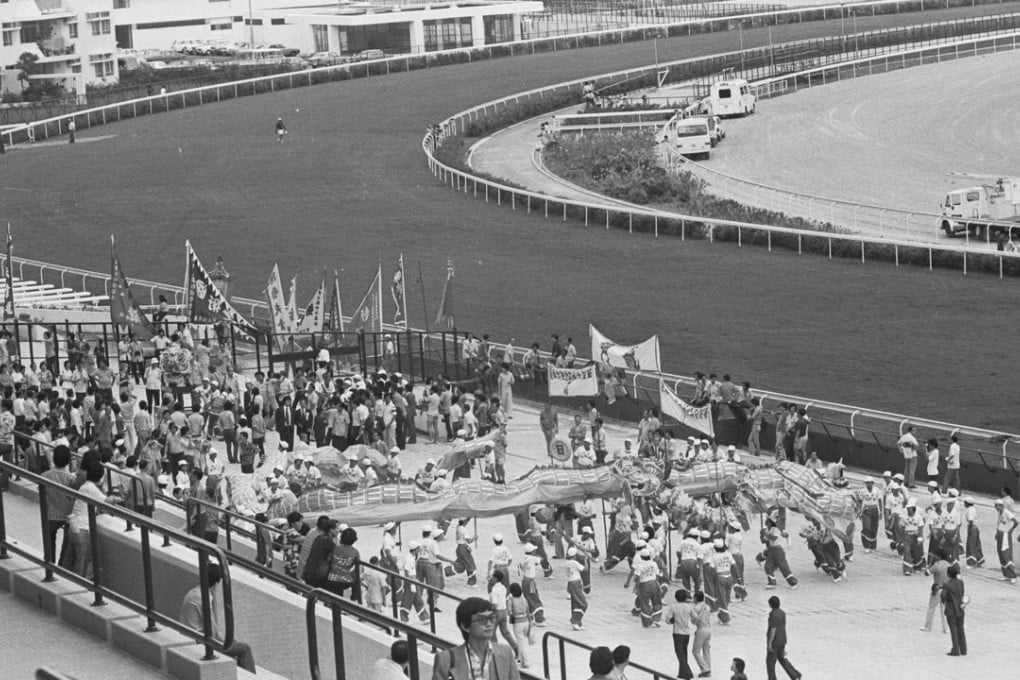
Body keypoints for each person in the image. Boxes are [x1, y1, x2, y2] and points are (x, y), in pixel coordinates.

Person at [179, 563, 256, 673]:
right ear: (216, 583)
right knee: (244, 649)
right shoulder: (203, 597)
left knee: (234, 645)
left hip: (190, 638)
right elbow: (213, 633)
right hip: (200, 643)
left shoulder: (193, 592)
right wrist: (227, 642)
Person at [430, 597, 520, 680]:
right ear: (465, 626)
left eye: (491, 618)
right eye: (482, 620)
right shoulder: (445, 659)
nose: (489, 624)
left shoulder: (505, 653)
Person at [41, 444, 75, 566]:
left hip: (50, 514)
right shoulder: (71, 478)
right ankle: (62, 565)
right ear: (68, 460)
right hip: (67, 515)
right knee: (66, 543)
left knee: (49, 540)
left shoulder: (45, 475)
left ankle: (49, 564)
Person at [765, 596, 801, 680]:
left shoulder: (773, 614)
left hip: (775, 642)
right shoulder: (782, 613)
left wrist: (770, 642)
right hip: (782, 639)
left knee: (770, 662)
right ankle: (795, 674)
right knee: (782, 659)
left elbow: (773, 629)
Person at [664, 589, 695, 680]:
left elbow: (668, 621)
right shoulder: (689, 607)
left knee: (679, 652)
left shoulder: (673, 607)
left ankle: (687, 672)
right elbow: (694, 617)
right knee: (684, 652)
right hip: (686, 633)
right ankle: (681, 672)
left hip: (677, 633)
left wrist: (672, 620)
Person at [941, 564, 967, 656]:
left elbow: (943, 596)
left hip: (951, 609)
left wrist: (944, 601)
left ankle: (955, 649)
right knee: (961, 628)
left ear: (949, 574)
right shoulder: (961, 582)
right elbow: (963, 593)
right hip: (960, 608)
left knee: (953, 629)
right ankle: (963, 649)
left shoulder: (947, 584)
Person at [922, 550, 950, 633]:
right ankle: (946, 628)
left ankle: (927, 627)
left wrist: (930, 564)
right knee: (944, 609)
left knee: (931, 608)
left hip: (937, 589)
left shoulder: (937, 565)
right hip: (946, 589)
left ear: (940, 556)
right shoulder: (949, 565)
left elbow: (926, 573)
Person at [507, 582, 532, 668]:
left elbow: (509, 611)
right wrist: (530, 622)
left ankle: (525, 661)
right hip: (526, 621)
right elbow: (528, 610)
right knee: (524, 641)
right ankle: (520, 659)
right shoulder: (523, 599)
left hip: (518, 623)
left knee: (520, 643)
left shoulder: (511, 599)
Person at [993, 498, 1017, 583]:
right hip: (1000, 534)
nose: (995, 508)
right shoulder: (999, 513)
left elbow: (1016, 522)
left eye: (996, 506)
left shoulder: (1007, 512)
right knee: (1001, 555)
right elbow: (999, 524)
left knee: (1006, 555)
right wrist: (996, 533)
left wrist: (1011, 530)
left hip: (1005, 535)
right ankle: (1006, 575)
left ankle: (1012, 575)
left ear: (1000, 505)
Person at [691, 590, 712, 679]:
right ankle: (708, 668)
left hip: (701, 629)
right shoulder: (707, 607)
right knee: (706, 649)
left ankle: (705, 668)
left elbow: (694, 621)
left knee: (696, 651)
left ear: (695, 598)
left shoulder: (696, 608)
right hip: (708, 629)